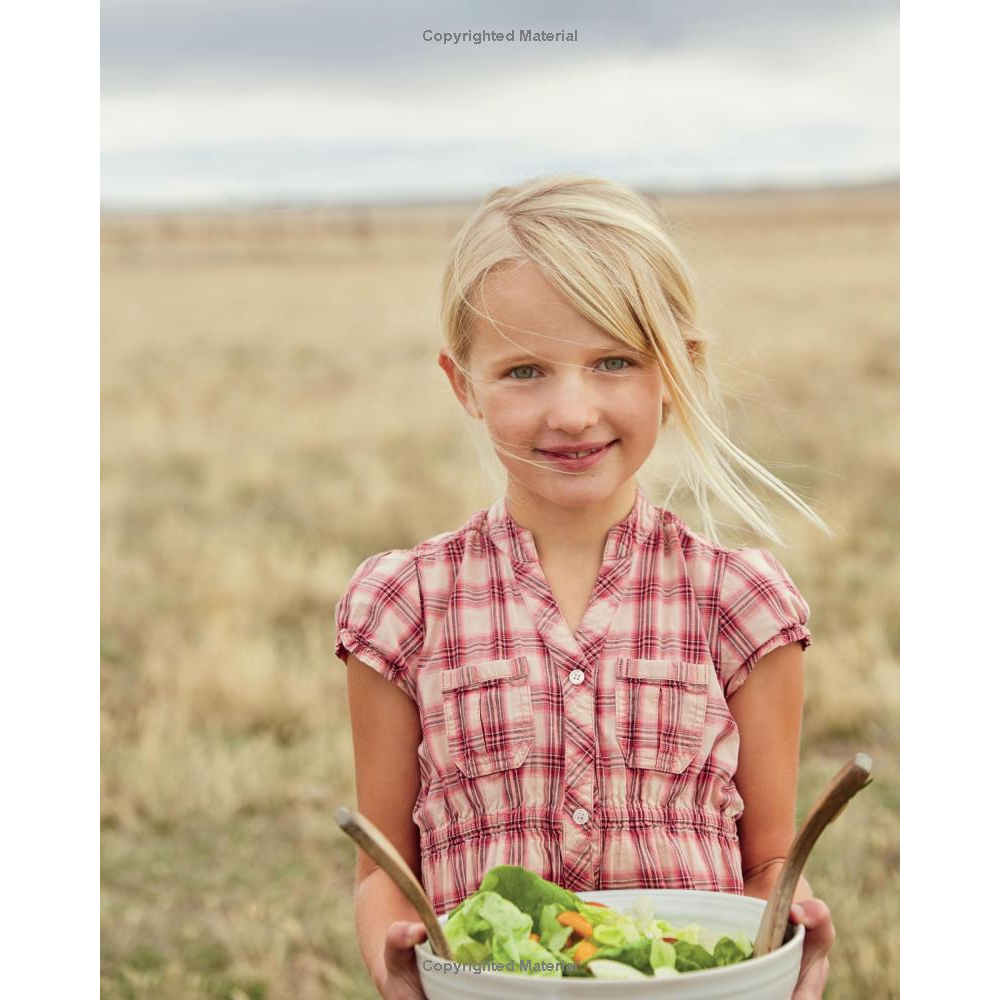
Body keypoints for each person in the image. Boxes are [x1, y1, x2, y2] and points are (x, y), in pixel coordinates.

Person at [337, 175, 836, 999]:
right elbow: (380, 867)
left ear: (673, 372)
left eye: (613, 363)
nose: (572, 412)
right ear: (463, 384)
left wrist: (791, 943)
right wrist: (396, 963)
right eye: (525, 370)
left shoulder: (742, 603)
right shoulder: (402, 605)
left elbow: (771, 861)